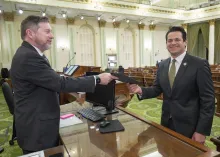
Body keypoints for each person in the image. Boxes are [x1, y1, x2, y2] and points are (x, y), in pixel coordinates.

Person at [10, 15, 117, 154]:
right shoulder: (28, 57)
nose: (52, 36)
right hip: (37, 130)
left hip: (38, 123)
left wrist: (72, 90)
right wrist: (97, 79)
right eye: (47, 31)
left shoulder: (29, 53)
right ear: (30, 33)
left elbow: (49, 81)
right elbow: (59, 83)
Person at [127, 26, 215, 144]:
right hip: (166, 122)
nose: (173, 43)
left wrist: (201, 131)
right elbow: (157, 89)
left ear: (185, 42)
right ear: (166, 43)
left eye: (177, 40)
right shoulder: (163, 65)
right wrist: (140, 90)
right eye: (170, 40)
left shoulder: (199, 64)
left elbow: (208, 100)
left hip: (190, 126)